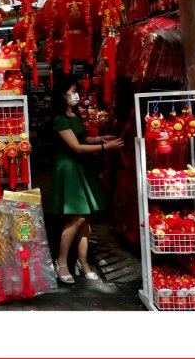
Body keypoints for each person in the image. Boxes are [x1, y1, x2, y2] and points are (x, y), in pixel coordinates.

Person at [47, 76, 124, 284]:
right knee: (78, 217)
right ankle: (62, 262)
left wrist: (100, 139)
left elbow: (82, 139)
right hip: (70, 169)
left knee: (85, 218)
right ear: (63, 94)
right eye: (72, 91)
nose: (76, 95)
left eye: (76, 91)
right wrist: (104, 147)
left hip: (81, 168)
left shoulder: (75, 115)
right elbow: (76, 147)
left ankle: (83, 262)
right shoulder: (59, 120)